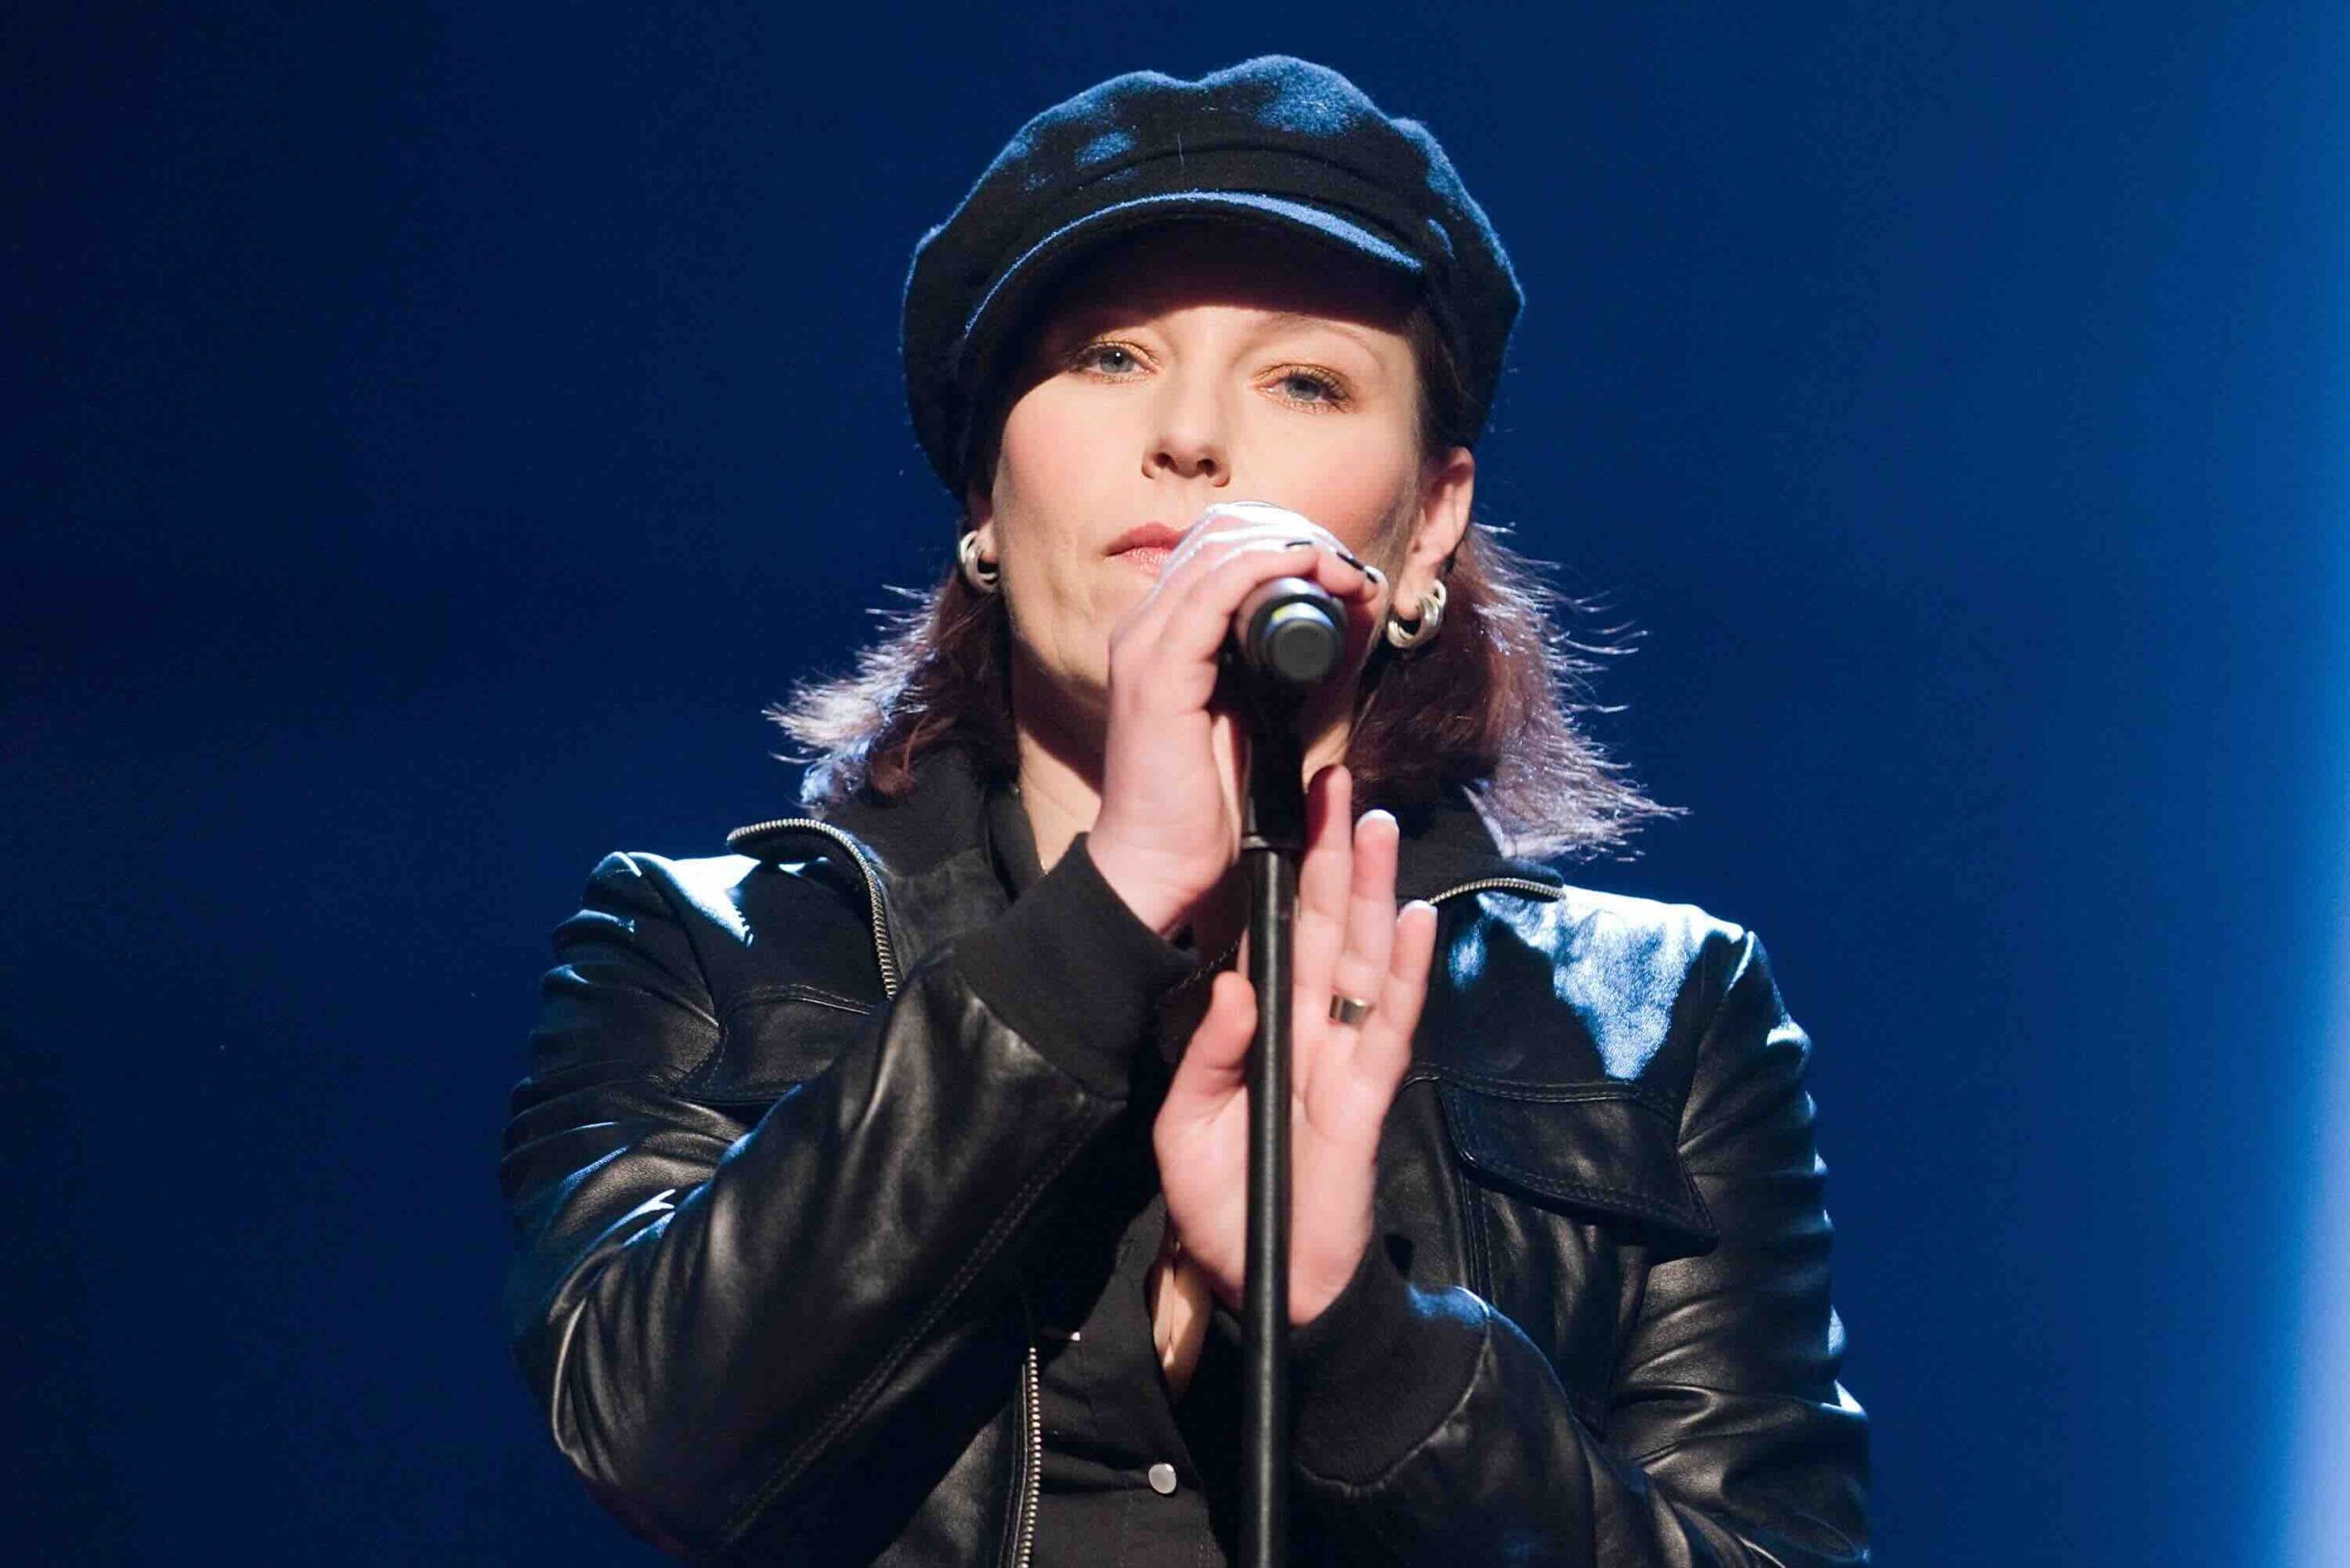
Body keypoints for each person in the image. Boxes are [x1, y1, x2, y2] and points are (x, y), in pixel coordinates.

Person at [500, 55, 1869, 1567]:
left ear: (1429, 526)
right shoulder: (704, 952)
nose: (1193, 437)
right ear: (981, 500)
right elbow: (652, 1434)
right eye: (1110, 358)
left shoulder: (1658, 1023)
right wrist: (1108, 908)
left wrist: (1360, 1337)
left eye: (1304, 381)